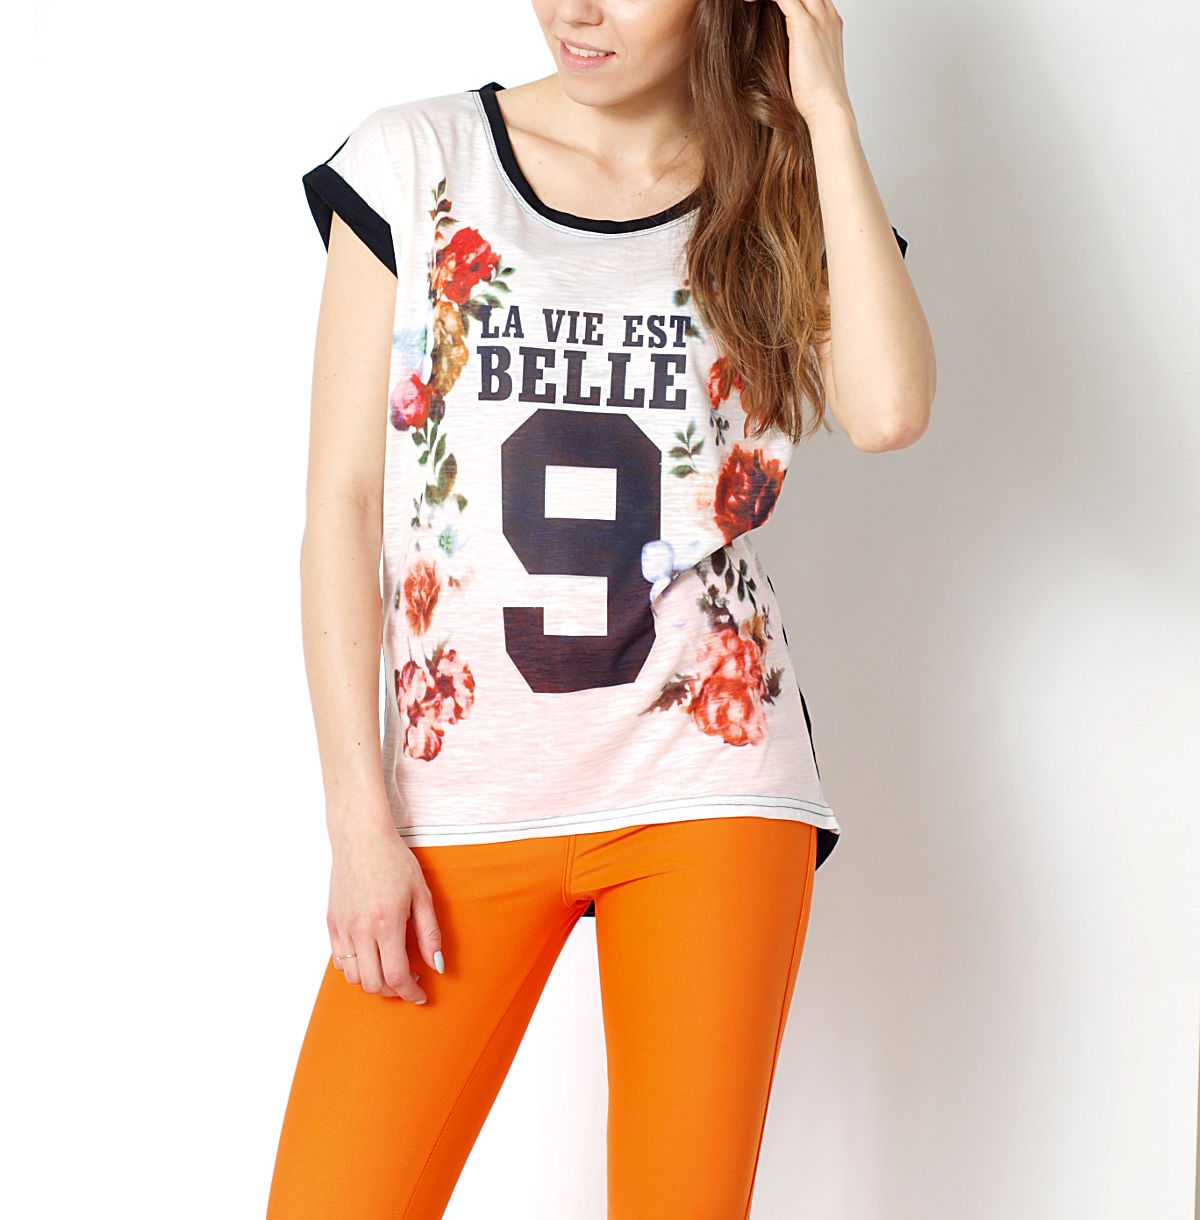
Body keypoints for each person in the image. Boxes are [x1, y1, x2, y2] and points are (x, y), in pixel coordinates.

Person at [267, 1, 935, 1215]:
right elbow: (344, 510)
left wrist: (825, 109)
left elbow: (888, 410)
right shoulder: (418, 161)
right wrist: (360, 821)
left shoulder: (774, 191)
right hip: (458, 798)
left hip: (706, 784)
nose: (579, 9)